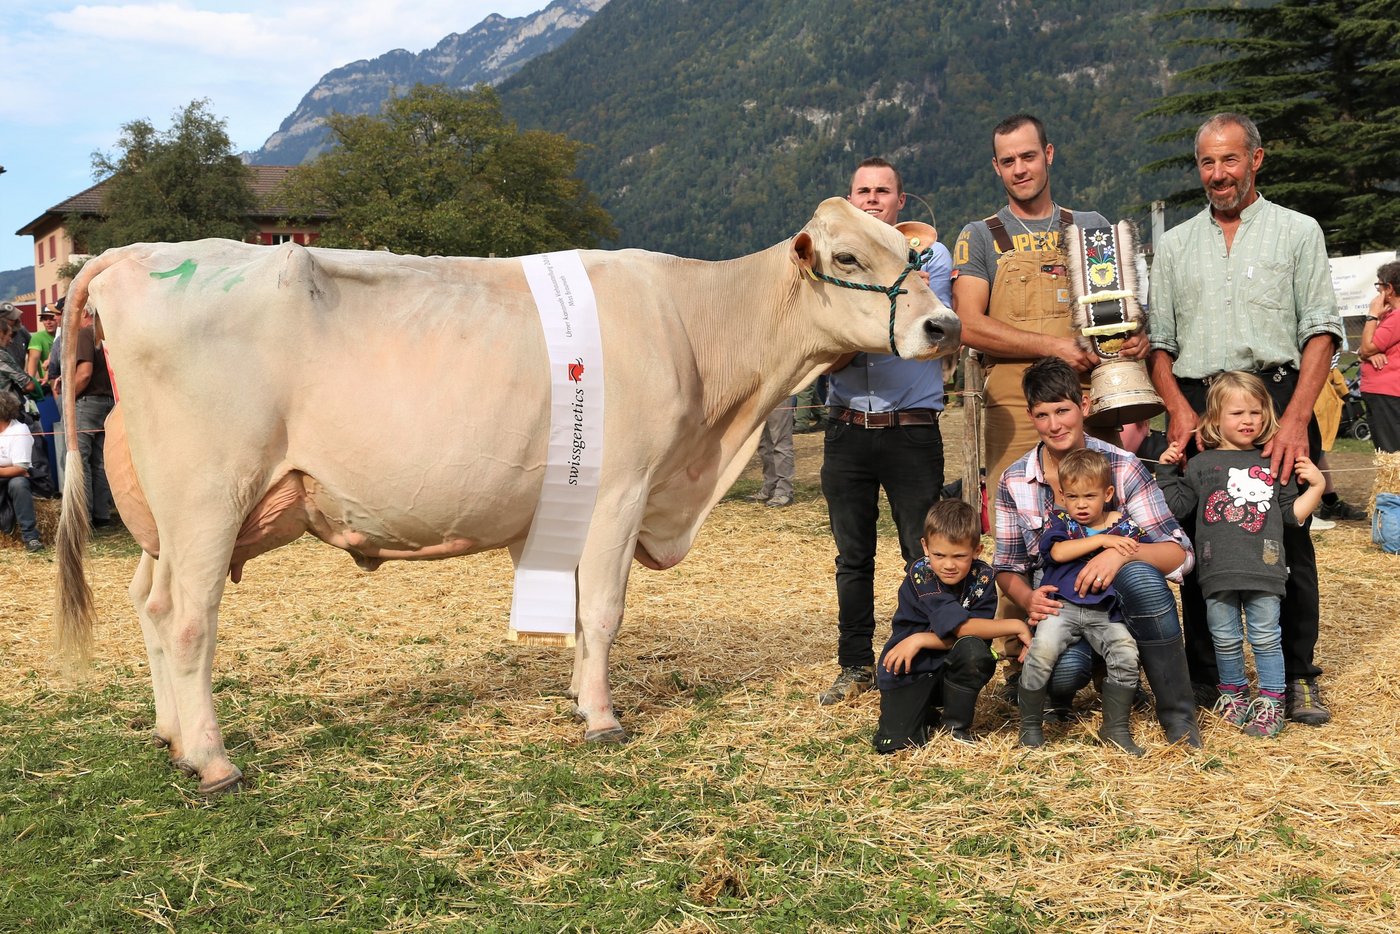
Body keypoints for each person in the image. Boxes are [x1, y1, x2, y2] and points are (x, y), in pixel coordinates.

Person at [1147, 112, 1344, 726]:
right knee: (1204, 537)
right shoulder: (1177, 244)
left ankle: (1298, 674)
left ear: (1256, 159)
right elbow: (1160, 345)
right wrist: (1179, 411)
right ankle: (1211, 677)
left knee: (1287, 540)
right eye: (1207, 162)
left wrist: (1293, 418)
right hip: (1202, 408)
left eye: (1229, 160)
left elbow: (1321, 331)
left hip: (1278, 401)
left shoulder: (1297, 231)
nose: (1218, 174)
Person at [950, 113, 1148, 697]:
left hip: (1088, 393)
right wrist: (1053, 345)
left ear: (1049, 155)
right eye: (1007, 161)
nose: (1019, 169)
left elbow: (1118, 306)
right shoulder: (979, 235)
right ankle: (1025, 664)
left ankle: (1110, 652)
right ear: (996, 167)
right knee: (1027, 524)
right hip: (1014, 401)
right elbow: (968, 324)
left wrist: (1131, 338)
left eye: (1028, 156)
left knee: (1104, 514)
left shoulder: (1088, 226)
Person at [994, 357, 1201, 747]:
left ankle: (1177, 715)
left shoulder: (1122, 467)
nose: (1054, 425)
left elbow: (1180, 553)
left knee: (1138, 574)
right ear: (1031, 417)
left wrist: (1121, 553)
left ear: (1084, 406)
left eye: (1063, 410)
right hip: (1062, 606)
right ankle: (1074, 692)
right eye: (1042, 415)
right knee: (1061, 673)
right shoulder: (1014, 480)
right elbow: (1007, 565)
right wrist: (1028, 598)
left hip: (1116, 605)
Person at [818, 157, 954, 705]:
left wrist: (849, 316)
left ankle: (922, 655)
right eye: (862, 191)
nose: (872, 199)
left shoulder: (931, 256)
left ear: (901, 201)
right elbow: (823, 343)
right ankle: (853, 664)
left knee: (920, 551)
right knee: (852, 556)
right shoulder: (834, 260)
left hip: (911, 429)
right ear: (849, 201)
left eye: (883, 191)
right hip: (847, 427)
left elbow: (915, 330)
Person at [1156, 372, 1325, 738]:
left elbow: (1291, 517)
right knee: (1225, 638)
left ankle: (1271, 700)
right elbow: (1179, 507)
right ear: (1214, 419)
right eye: (1237, 413)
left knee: (1265, 637)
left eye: (1256, 411)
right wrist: (1167, 469)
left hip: (1264, 570)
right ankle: (1232, 694)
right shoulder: (1202, 464)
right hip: (1216, 571)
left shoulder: (1273, 461)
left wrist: (1317, 486)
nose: (1248, 420)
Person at [1018, 448, 1146, 755]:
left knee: (1127, 654)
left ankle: (1115, 728)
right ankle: (1031, 726)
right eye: (1073, 497)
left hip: (1105, 611)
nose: (1081, 504)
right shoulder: (1060, 521)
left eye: (1089, 496)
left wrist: (1117, 542)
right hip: (1061, 607)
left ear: (1108, 493)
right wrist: (1103, 540)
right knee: (1042, 650)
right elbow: (1058, 553)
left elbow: (1143, 554)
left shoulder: (1124, 525)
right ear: (1062, 496)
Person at [873, 499, 1029, 751]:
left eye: (959, 556)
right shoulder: (921, 573)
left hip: (949, 664)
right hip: (910, 669)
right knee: (897, 745)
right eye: (939, 555)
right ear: (925, 546)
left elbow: (973, 635)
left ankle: (956, 725)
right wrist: (1017, 626)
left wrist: (921, 638)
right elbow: (960, 627)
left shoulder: (984, 577)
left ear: (977, 550)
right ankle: (922, 712)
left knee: (975, 651)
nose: (948, 564)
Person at [70, 300, 116, 528]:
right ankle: (102, 515)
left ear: (84, 313)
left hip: (88, 403)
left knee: (82, 460)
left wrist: (69, 397)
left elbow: (84, 374)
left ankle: (84, 518)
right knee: (101, 462)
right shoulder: (109, 333)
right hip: (109, 402)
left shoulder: (86, 334)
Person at [1359, 260, 1400, 453]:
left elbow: (1366, 348)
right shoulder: (1390, 316)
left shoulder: (1396, 317)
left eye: (1379, 286)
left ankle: (1393, 484)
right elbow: (1363, 351)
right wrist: (1369, 354)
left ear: (1389, 288)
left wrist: (1372, 315)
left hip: (1388, 392)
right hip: (1383, 392)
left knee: (1390, 451)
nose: (1378, 292)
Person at [0, 390, 43, 553]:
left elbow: (20, 468)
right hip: (5, 475)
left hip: (16, 478)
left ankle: (31, 537)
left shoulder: (19, 430)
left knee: (18, 483)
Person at [747, 396, 795, 507]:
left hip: (779, 392)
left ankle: (784, 491)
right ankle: (770, 486)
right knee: (763, 443)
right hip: (759, 395)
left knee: (781, 441)